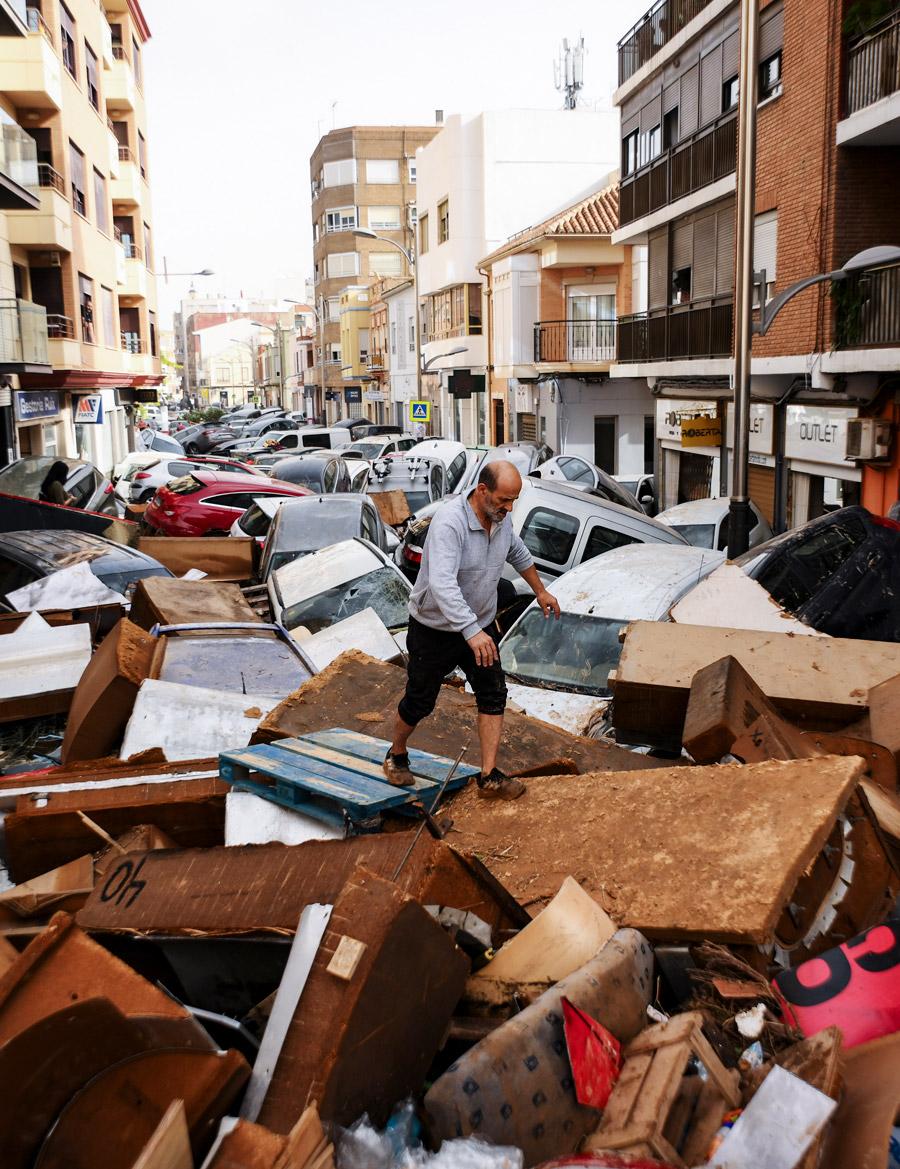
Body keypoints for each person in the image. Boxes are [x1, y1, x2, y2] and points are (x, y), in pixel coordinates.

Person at [386, 459, 560, 800]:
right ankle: (396, 754)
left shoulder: (501, 520)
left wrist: (540, 590)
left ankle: (489, 775)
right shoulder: (449, 523)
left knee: (493, 693)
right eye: (504, 500)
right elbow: (442, 585)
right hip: (434, 629)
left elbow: (517, 552)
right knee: (420, 700)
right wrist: (471, 630)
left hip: (478, 626)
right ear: (482, 490)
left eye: (513, 501)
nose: (509, 509)